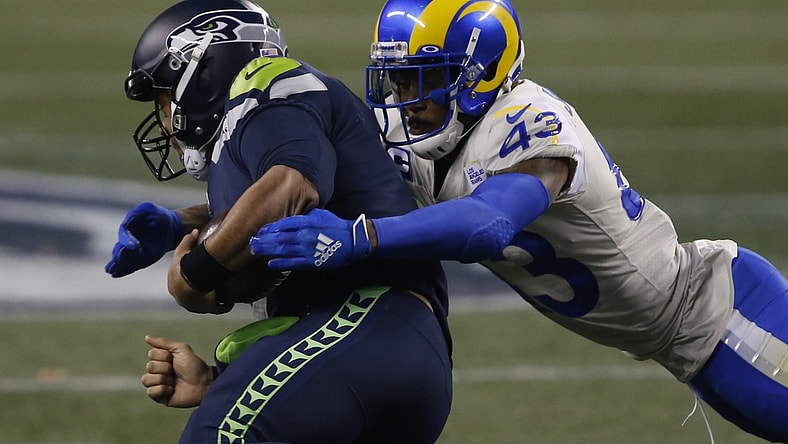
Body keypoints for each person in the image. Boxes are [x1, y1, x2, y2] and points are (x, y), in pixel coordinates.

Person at [248, 0, 788, 441]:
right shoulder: (426, 138)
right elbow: (308, 188)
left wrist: (360, 236)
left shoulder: (530, 124)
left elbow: (489, 222)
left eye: (423, 80)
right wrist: (186, 227)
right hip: (684, 342)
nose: (406, 102)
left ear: (475, 76)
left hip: (721, 316)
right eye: (398, 81)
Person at [106, 0, 453, 442]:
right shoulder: (261, 120)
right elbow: (284, 203)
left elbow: (293, 186)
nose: (165, 117)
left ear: (201, 70)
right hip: (373, 342)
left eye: (163, 97)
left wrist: (194, 277)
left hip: (368, 319)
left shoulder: (266, 86)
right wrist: (181, 225)